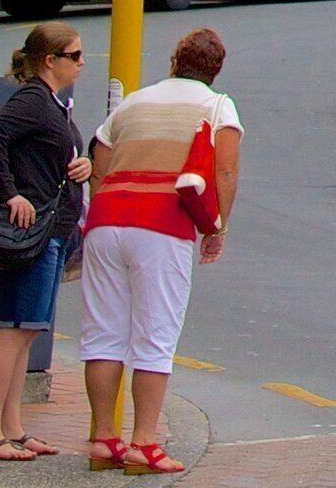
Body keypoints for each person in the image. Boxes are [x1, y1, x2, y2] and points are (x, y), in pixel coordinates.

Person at [79, 29, 240, 477]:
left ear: (174, 60)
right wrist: (217, 227)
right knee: (155, 335)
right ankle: (143, 443)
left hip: (107, 222)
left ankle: (104, 438)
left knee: (104, 334)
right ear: (215, 70)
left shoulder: (133, 102)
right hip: (163, 225)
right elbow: (224, 170)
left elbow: (100, 165)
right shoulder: (217, 106)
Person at [0, 21, 89, 465]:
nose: (82, 63)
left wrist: (82, 168)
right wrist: (10, 193)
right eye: (74, 56)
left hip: (49, 232)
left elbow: (46, 155)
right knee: (12, 332)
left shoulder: (53, 105)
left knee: (25, 332)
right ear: (49, 61)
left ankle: (11, 427)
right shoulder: (34, 100)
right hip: (33, 234)